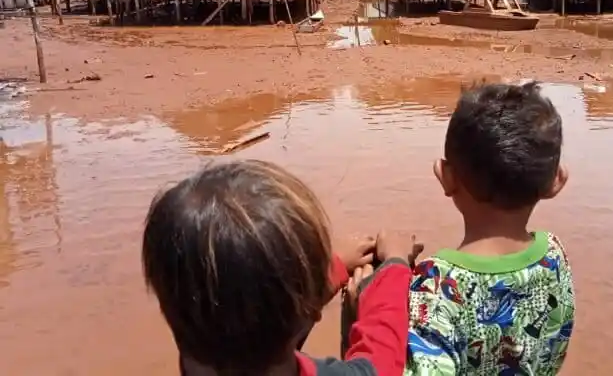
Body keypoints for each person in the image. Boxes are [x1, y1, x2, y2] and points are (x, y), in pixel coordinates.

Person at [141, 160, 422, 376]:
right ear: (309, 308)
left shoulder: (204, 334)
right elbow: (382, 349)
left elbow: (246, 311)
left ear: (166, 308)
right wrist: (395, 264)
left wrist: (332, 268)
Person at [405, 80, 575, 375]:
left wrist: (383, 286)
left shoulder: (435, 285)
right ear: (556, 180)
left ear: (445, 176)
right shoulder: (554, 255)